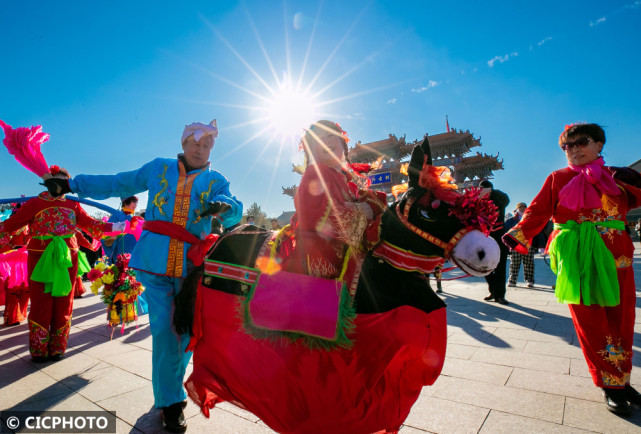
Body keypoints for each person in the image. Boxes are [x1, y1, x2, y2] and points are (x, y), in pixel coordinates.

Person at [43, 119, 242, 433]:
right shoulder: (159, 167)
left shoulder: (216, 179)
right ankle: (172, 404)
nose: (201, 150)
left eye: (207, 146)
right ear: (184, 142)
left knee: (186, 335)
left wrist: (223, 206)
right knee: (166, 331)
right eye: (196, 144)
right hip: (155, 263)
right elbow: (119, 183)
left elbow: (236, 210)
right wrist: (71, 185)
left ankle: (168, 389)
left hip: (192, 270)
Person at [503, 123, 641, 415]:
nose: (573, 149)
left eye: (581, 142)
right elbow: (536, 211)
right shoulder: (558, 178)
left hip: (619, 258)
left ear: (599, 144)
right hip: (578, 258)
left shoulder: (619, 179)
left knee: (622, 319)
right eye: (567, 145)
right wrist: (515, 237)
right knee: (591, 322)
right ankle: (610, 385)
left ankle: (621, 379)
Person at [0, 166, 117, 361]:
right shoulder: (34, 203)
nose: (61, 187)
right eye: (58, 181)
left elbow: (91, 224)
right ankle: (39, 349)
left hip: (67, 259)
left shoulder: (74, 205)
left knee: (64, 301)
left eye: (65, 183)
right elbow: (11, 224)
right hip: (40, 256)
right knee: (40, 301)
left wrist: (118, 226)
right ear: (49, 182)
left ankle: (57, 348)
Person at [280, 120, 387, 293]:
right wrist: (366, 211)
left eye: (331, 137)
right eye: (318, 140)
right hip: (322, 251)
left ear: (342, 147)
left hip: (349, 249)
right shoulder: (315, 173)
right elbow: (317, 214)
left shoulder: (348, 182)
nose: (325, 141)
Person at [479, 180, 510, 304]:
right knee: (483, 266)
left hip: (499, 238)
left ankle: (500, 295)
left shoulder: (499, 200)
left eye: (484, 189)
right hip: (484, 239)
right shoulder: (478, 202)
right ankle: (493, 290)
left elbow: (506, 198)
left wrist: (491, 191)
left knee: (500, 267)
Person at [505, 202, 536, 287]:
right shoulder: (511, 220)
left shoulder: (530, 218)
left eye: (524, 207)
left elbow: (536, 230)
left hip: (528, 244)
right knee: (515, 262)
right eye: (520, 207)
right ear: (517, 209)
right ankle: (512, 280)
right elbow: (506, 231)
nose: (522, 208)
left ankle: (530, 280)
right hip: (516, 244)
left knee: (529, 262)